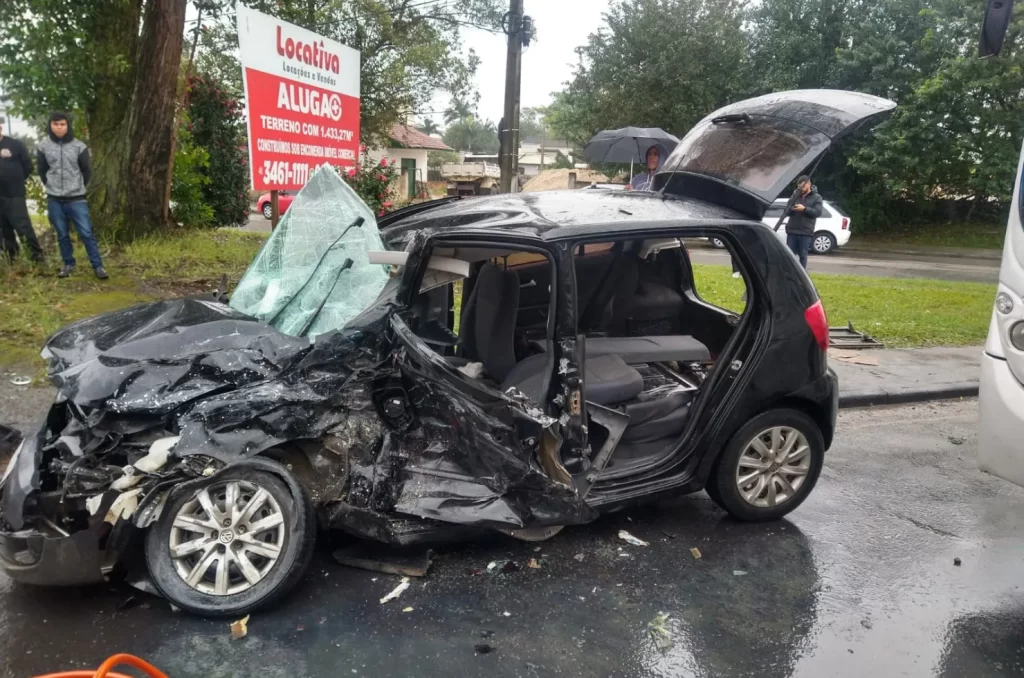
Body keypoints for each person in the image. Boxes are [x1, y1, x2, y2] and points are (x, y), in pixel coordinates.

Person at [37, 111, 107, 279]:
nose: (59, 127)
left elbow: (87, 170)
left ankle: (98, 266)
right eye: (55, 124)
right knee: (62, 234)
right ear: (50, 125)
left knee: (86, 233)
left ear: (67, 126)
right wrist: (52, 186)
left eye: (62, 124)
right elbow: (41, 170)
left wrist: (77, 186)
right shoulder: (43, 146)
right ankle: (68, 263)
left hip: (77, 199)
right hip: (54, 199)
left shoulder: (79, 146)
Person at [0, 121, 44, 265]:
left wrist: (15, 181)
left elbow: (28, 166)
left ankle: (37, 259)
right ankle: (11, 258)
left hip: (14, 194)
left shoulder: (14, 144)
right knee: (3, 229)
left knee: (23, 227)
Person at [784, 175, 822, 269]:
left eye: (803, 186)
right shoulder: (795, 195)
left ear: (809, 184)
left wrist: (804, 209)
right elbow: (786, 211)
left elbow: (817, 212)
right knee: (790, 255)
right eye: (799, 187)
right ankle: (789, 273)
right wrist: (792, 209)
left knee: (803, 255)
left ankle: (801, 275)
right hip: (792, 230)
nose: (801, 189)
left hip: (805, 231)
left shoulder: (817, 197)